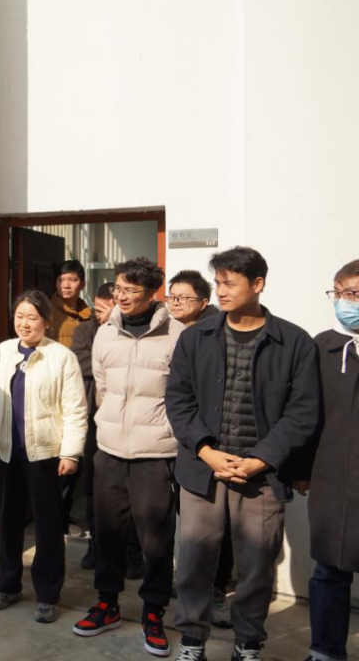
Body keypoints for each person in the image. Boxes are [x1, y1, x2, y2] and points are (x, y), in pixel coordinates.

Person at [166, 247, 320, 661]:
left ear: (258, 284)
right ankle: (192, 642)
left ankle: (247, 643)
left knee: (256, 567)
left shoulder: (294, 342)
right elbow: (178, 400)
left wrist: (262, 459)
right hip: (203, 472)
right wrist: (206, 451)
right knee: (194, 562)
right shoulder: (196, 338)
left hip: (262, 477)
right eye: (217, 283)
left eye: (229, 283)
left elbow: (303, 412)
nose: (220, 291)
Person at [73, 257, 183, 658]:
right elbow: (102, 387)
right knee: (107, 533)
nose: (120, 296)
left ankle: (153, 612)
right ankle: (107, 605)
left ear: (152, 293)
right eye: (117, 288)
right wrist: (109, 426)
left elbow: (182, 393)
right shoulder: (106, 333)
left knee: (155, 539)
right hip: (110, 449)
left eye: (130, 291)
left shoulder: (177, 334)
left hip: (156, 452)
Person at [0, 290, 88, 624]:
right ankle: (7, 585)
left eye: (32, 317)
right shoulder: (3, 351)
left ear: (47, 321)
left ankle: (48, 594)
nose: (24, 324)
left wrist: (71, 452)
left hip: (45, 454)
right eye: (19, 317)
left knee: (48, 526)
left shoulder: (61, 357)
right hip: (6, 450)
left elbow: (75, 408)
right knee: (9, 520)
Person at [166, 269, 232, 628]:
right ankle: (196, 590)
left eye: (184, 297)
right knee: (193, 530)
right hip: (185, 444)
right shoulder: (176, 331)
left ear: (204, 302)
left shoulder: (214, 335)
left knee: (221, 530)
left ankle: (216, 591)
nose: (175, 303)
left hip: (215, 448)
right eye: (171, 296)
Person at [300, 260, 359, 661]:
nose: (343, 301)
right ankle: (325, 651)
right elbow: (304, 415)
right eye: (338, 293)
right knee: (329, 570)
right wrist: (301, 469)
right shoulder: (322, 347)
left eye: (352, 293)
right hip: (332, 478)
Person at [70, 282, 115, 571]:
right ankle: (95, 542)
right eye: (96, 309)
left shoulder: (130, 331)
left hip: (122, 419)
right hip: (92, 415)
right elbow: (79, 360)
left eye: (102, 309)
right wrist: (113, 361)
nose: (97, 314)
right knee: (92, 482)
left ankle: (130, 548)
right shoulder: (85, 330)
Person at [49, 259, 92, 348]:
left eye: (72, 280)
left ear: (83, 284)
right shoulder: (46, 312)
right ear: (55, 283)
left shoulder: (89, 316)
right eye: (61, 280)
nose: (66, 286)